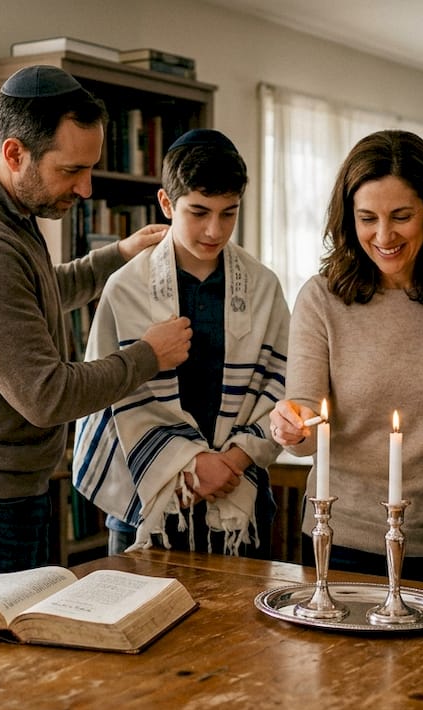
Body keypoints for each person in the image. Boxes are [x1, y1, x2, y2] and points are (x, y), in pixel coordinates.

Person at [0, 65, 193, 603]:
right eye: (71, 170)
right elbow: (47, 394)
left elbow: (33, 295)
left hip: (0, 488)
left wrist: (116, 256)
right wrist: (149, 355)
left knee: (13, 670)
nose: (85, 188)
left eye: (91, 169)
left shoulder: (9, 206)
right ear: (15, 154)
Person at [269, 130, 423, 586]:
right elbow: (306, 423)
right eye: (366, 218)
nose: (384, 236)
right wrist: (291, 425)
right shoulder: (321, 298)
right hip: (341, 538)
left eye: (401, 216)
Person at [73, 129, 289, 558]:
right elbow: (109, 396)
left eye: (229, 213)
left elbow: (282, 387)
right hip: (149, 501)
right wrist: (189, 466)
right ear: (167, 204)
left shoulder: (262, 286)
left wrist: (235, 460)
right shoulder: (126, 287)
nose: (215, 230)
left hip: (238, 493)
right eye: (199, 212)